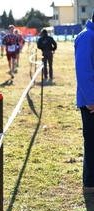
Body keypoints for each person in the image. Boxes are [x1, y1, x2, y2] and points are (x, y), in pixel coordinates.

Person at [74, 9, 94, 192]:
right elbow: (83, 71)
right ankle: (90, 183)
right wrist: (91, 100)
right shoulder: (87, 37)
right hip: (91, 103)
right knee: (92, 141)